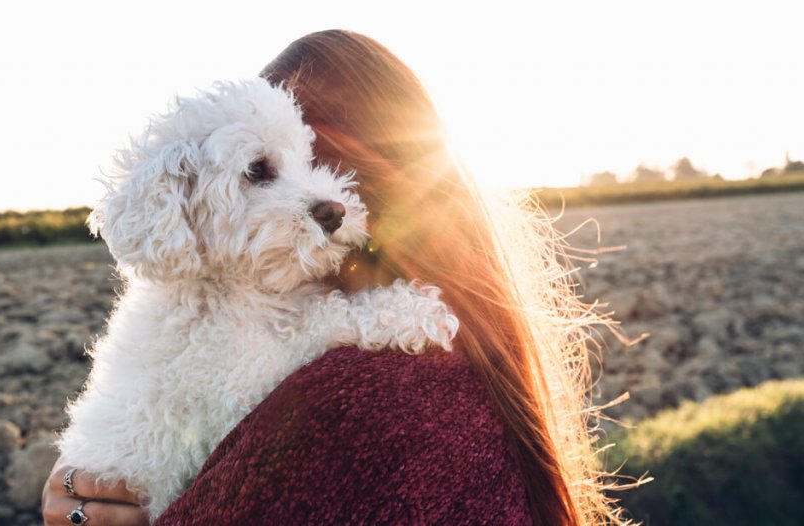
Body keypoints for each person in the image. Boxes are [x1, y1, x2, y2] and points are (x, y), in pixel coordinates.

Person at [42, 30, 626, 525]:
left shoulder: (341, 407)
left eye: (321, 164)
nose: (323, 197)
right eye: (263, 171)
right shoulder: (479, 359)